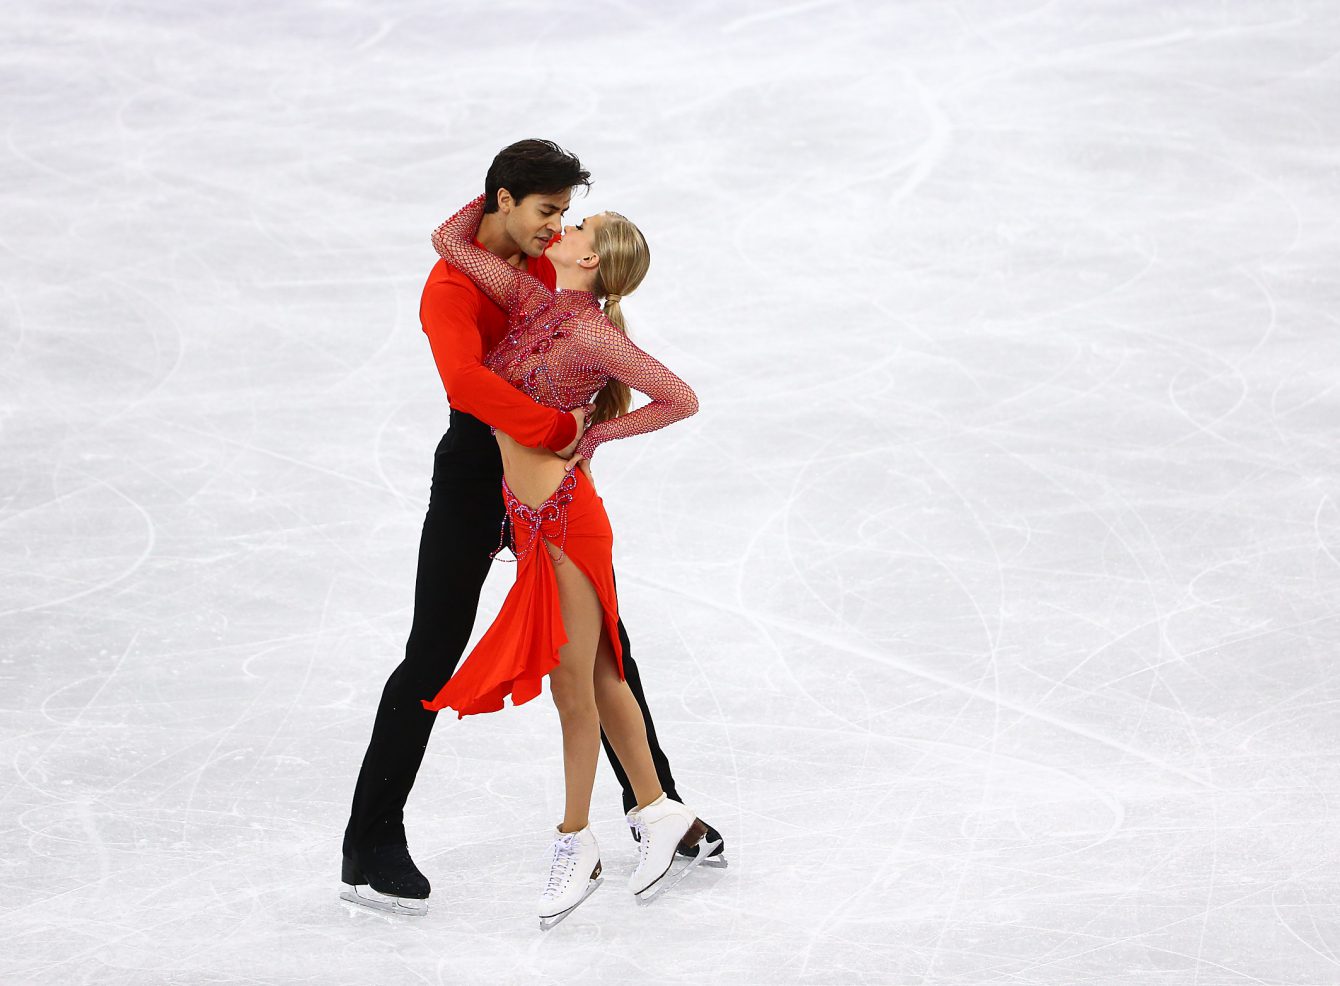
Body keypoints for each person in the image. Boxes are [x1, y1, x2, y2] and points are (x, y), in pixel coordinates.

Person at [340, 139, 724, 919]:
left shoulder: (552, 271)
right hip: (476, 482)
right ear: (504, 202)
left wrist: (585, 439)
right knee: (431, 652)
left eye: (567, 216)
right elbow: (466, 382)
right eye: (546, 212)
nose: (558, 229)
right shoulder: (454, 288)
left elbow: (617, 358)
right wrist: (557, 429)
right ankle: (371, 841)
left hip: (551, 492)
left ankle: (658, 807)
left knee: (603, 646)